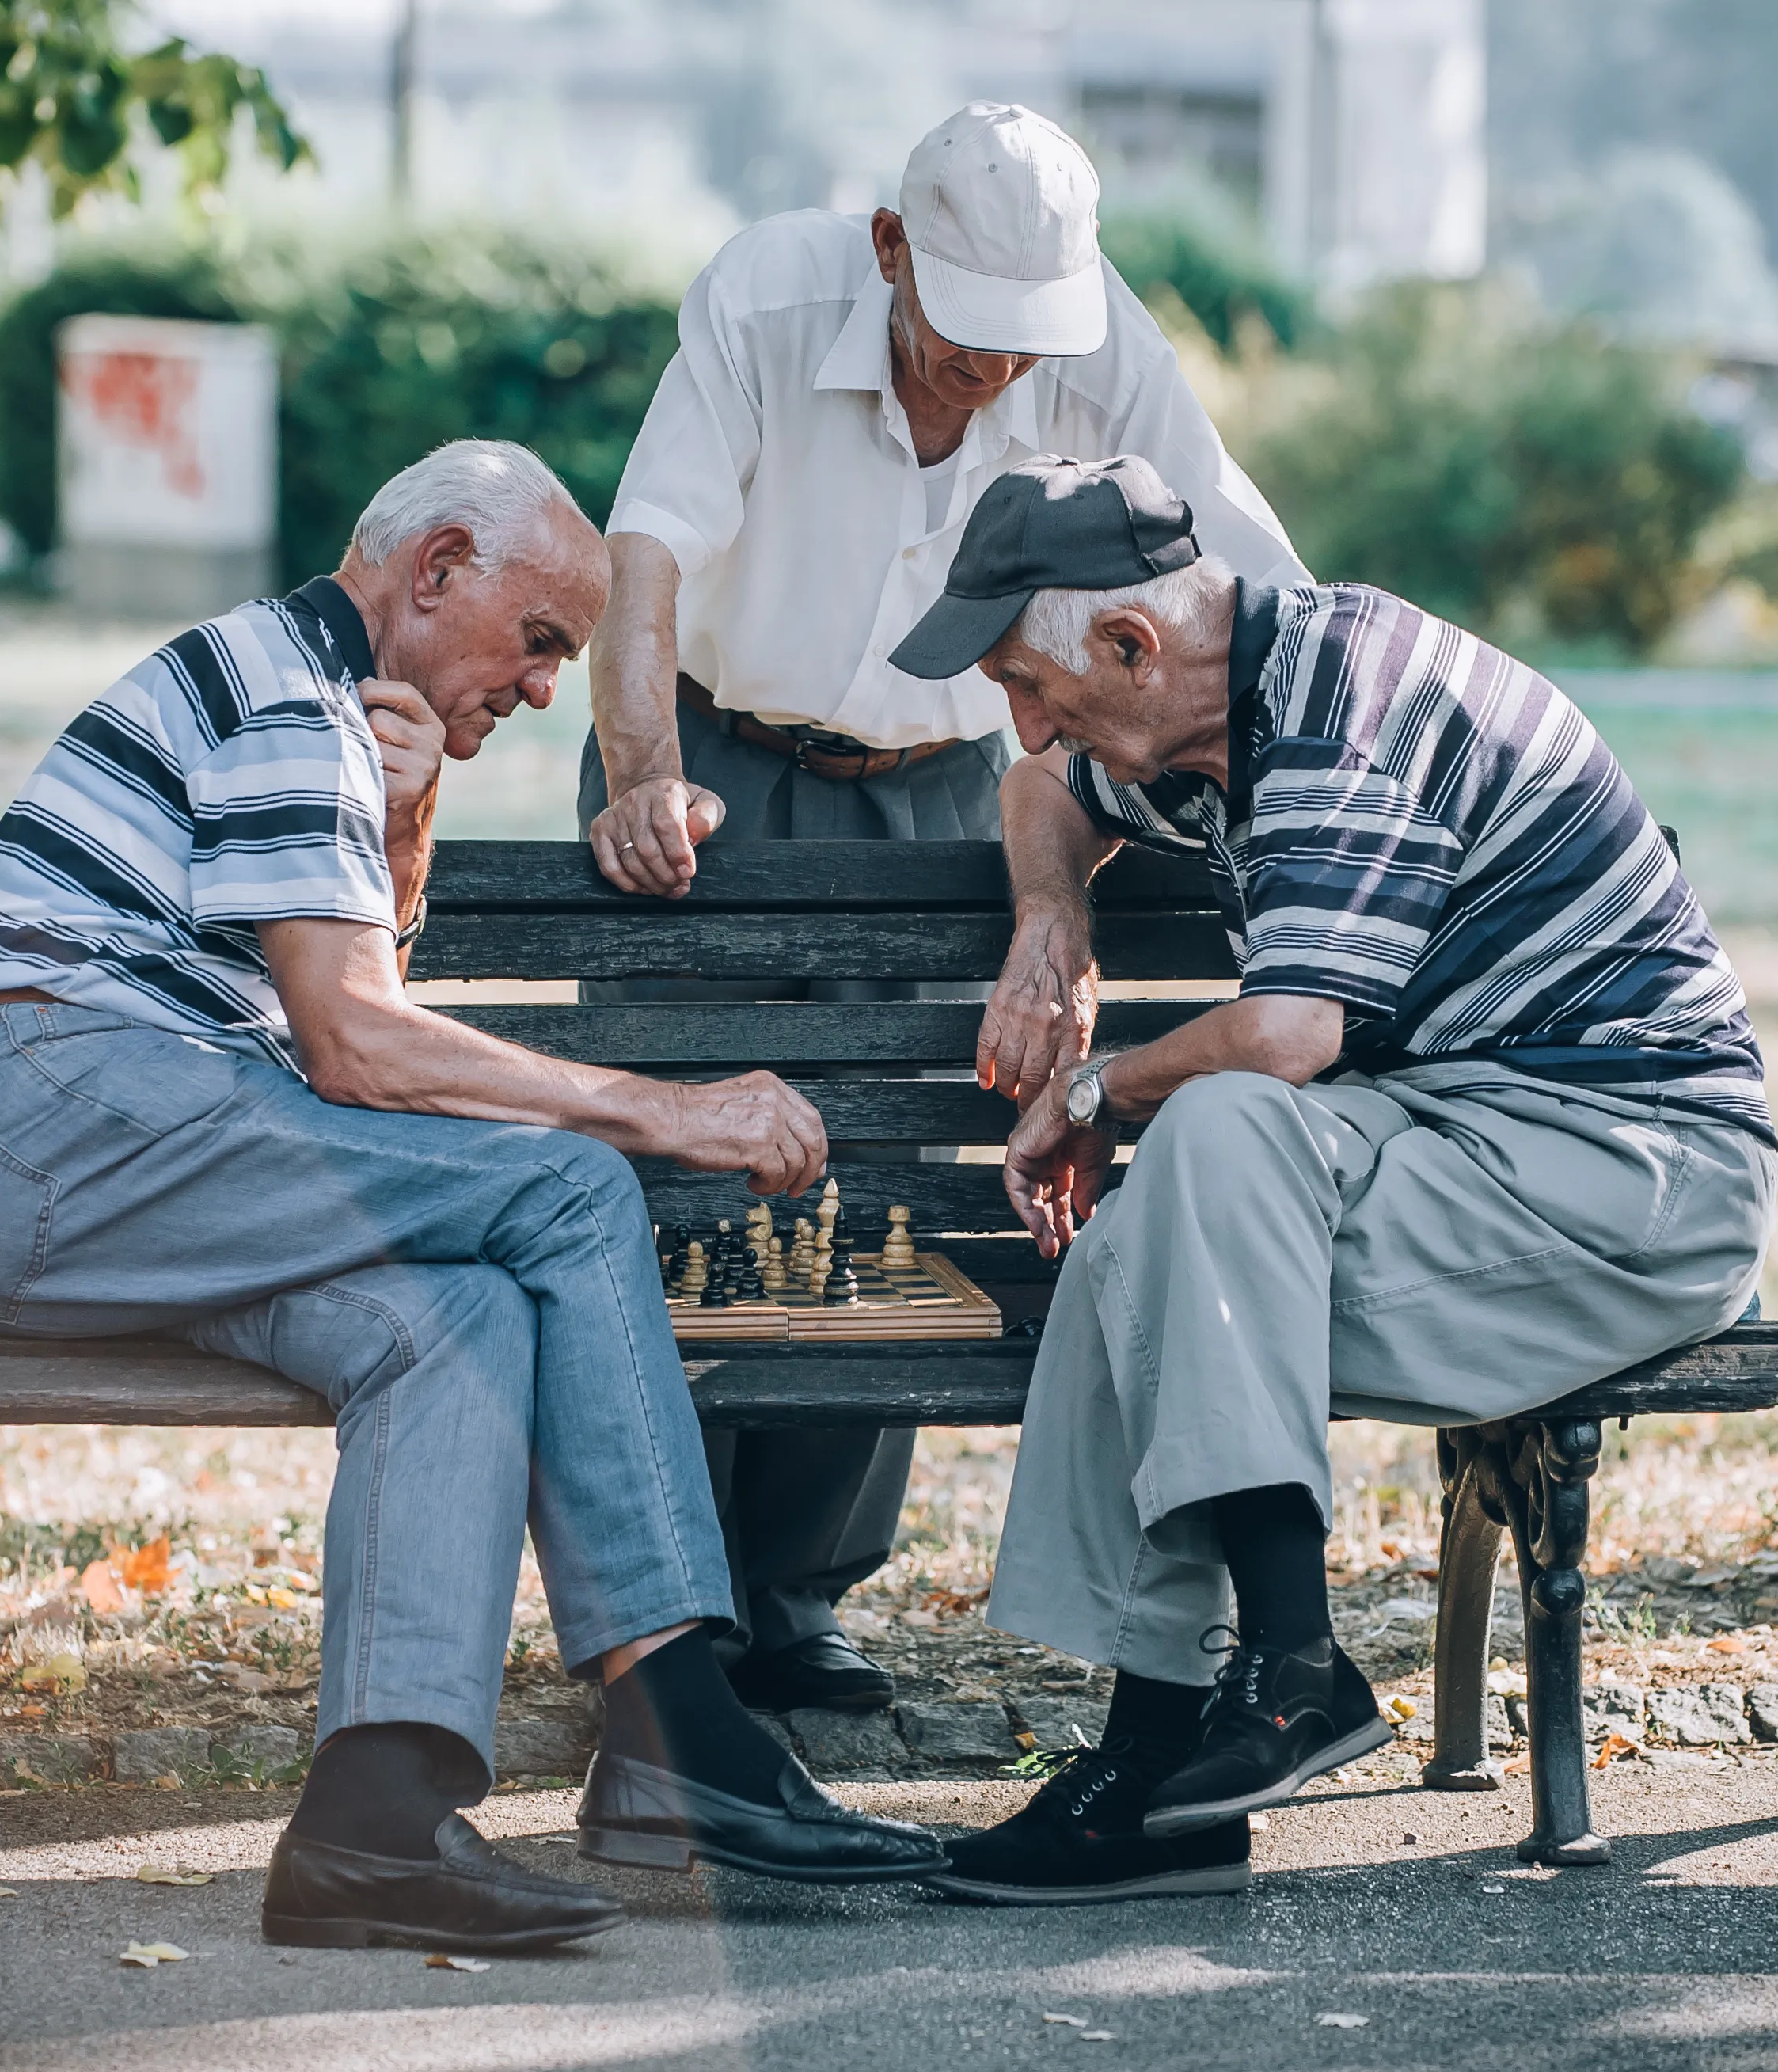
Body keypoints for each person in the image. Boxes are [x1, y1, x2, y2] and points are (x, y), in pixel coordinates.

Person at [0, 439, 945, 1956]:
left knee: (448, 1320)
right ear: (437, 566)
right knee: (575, 1193)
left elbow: (337, 1035)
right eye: (539, 644)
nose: (537, 691)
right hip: (45, 1116)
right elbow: (361, 1051)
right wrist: (665, 1113)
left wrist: (404, 824)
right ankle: (678, 1732)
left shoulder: (319, 708)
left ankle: (372, 1826)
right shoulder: (284, 693)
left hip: (104, 1161)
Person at [890, 456, 1778, 1905]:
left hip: (1634, 1171)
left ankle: (1277, 1672)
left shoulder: (1342, 707)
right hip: (1470, 1139)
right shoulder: (1212, 702)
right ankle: (1169, 1774)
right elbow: (1040, 787)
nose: (1025, 717)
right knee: (1149, 1246)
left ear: (1133, 645)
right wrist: (1053, 918)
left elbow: (1291, 1038)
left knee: (1214, 1140)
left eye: (1028, 679)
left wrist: (1095, 1089)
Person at [582, 101, 1309, 1714]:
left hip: (947, 771)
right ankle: (662, 1605)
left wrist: (1347, 743)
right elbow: (646, 565)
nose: (991, 374)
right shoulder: (766, 298)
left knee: (886, 1172)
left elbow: (1246, 568)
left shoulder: (1094, 336)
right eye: (965, 336)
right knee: (682, 1166)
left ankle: (796, 1596)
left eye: (1018, 345)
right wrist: (638, 770)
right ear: (889, 250)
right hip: (714, 745)